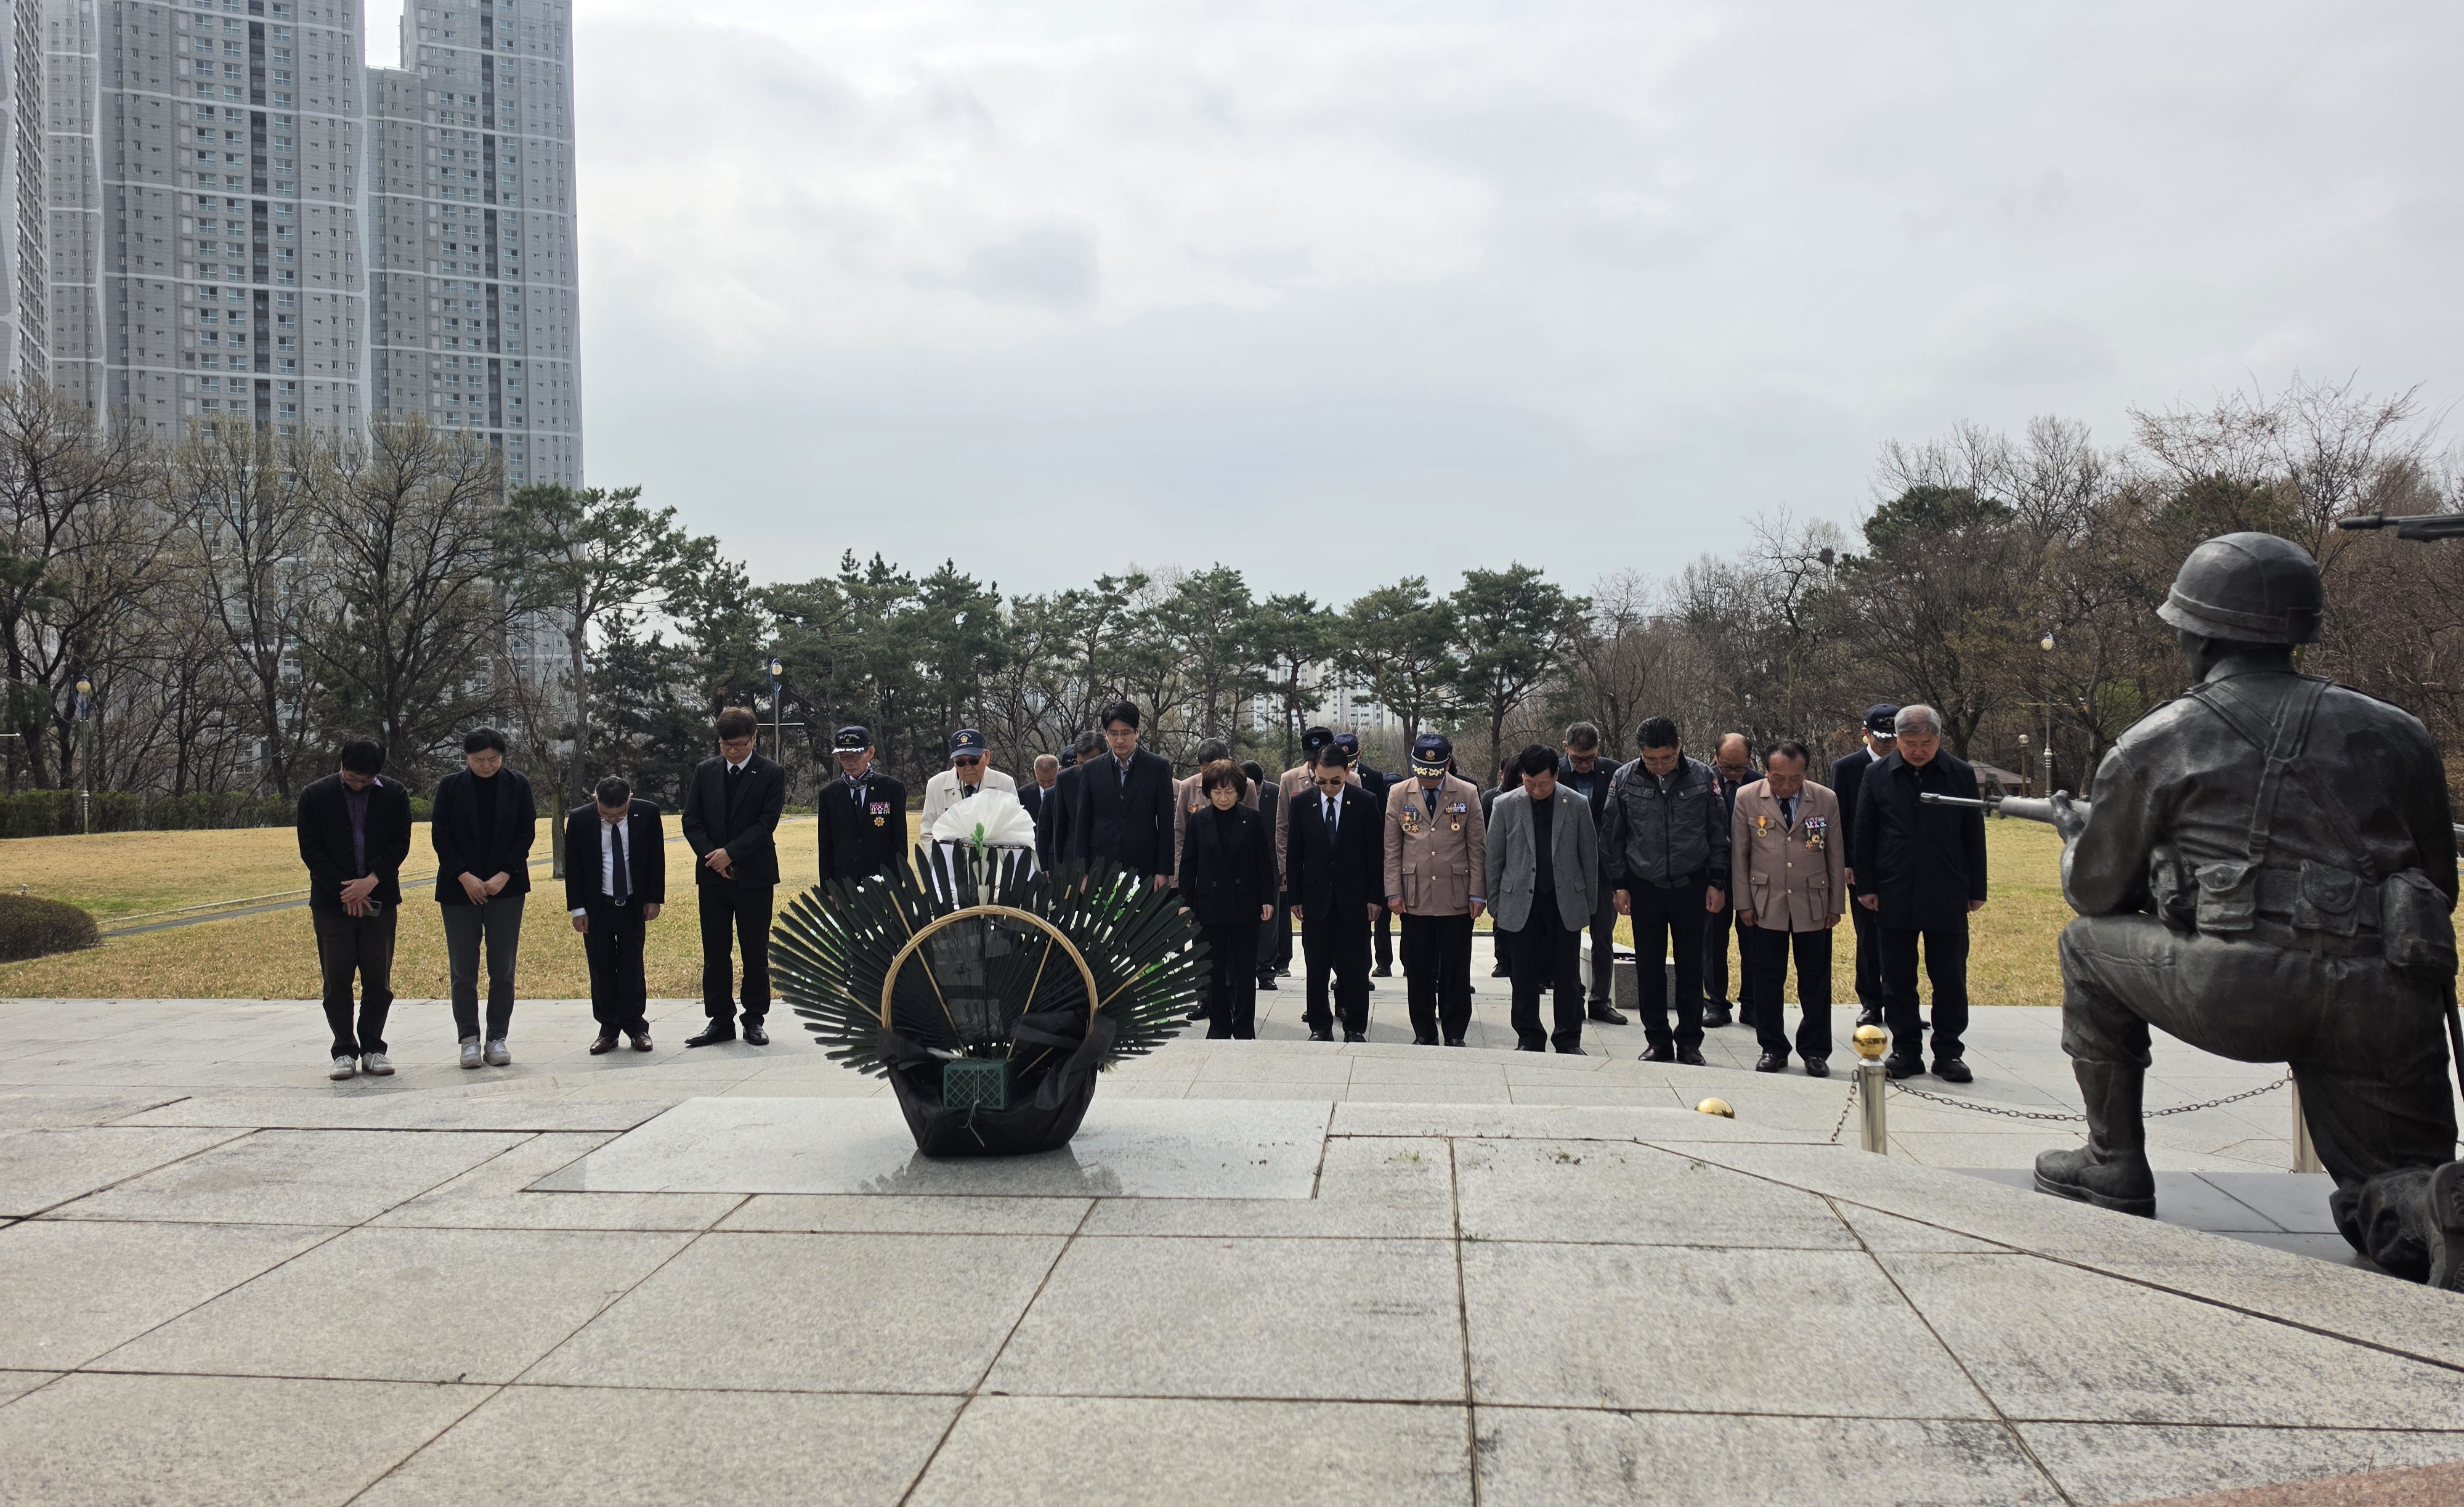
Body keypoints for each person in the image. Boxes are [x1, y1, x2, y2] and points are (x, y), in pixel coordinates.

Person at [2038, 534, 2464, 1285]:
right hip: (2381, 993)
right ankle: (2428, 1202)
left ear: (2199, 638)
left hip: (2238, 988)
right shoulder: (2399, 733)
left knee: (2084, 944)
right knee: (2385, 1184)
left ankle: (2112, 1161)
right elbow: (2437, 883)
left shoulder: (2155, 740)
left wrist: (2076, 839)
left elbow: (2097, 893)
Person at [1851, 704, 1987, 1082]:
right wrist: (1866, 886)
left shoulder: (1960, 773)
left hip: (1947, 888)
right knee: (1897, 980)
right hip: (1893, 889)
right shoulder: (1877, 774)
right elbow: (1865, 832)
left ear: (1939, 739)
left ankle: (1949, 1052)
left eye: (1926, 743)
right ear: (1898, 740)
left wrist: (1977, 888)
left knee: (1950, 977)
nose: (1918, 751)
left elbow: (1973, 833)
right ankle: (1906, 1051)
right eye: (1910, 744)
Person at [1603, 716, 1729, 1066]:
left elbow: (1718, 833)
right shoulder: (1624, 778)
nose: (1659, 766)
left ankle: (1689, 1041)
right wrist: (1619, 885)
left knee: (1691, 967)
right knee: (1649, 968)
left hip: (1691, 885)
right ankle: (1657, 1040)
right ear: (1641, 753)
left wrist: (1717, 882)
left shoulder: (1703, 776)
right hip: (1645, 887)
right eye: (1651, 759)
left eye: (1666, 758)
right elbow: (1612, 837)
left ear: (1679, 747)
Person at [297, 737, 413, 1080]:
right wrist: (346, 890)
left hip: (380, 898)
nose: (359, 784)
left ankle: (374, 1047)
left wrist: (371, 881)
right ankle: (344, 1050)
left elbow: (400, 844)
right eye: (352, 778)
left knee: (378, 978)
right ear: (341, 765)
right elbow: (311, 850)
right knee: (337, 980)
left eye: (366, 780)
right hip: (332, 904)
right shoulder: (314, 795)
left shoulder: (394, 794)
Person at [1730, 741, 1844, 1076]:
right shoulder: (1747, 797)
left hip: (1813, 901)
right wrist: (1743, 903)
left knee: (1815, 980)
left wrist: (1836, 904)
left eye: (1795, 779)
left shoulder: (1825, 798)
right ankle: (1772, 1047)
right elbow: (1740, 855)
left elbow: (1835, 853)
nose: (1786, 785)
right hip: (1766, 902)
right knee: (1767, 978)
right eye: (1778, 778)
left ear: (1805, 773)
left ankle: (1816, 1051)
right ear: (1766, 770)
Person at [429, 728, 538, 1069]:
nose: (487, 765)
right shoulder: (450, 787)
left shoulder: (518, 785)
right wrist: (465, 876)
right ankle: (469, 1040)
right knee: (463, 969)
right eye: (479, 760)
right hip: (459, 889)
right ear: (466, 757)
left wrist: (504, 874)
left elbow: (526, 833)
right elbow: (441, 837)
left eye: (493, 759)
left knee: (503, 968)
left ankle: (497, 1038)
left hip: (506, 887)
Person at [680, 707, 787, 1049]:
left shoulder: (771, 772)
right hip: (713, 877)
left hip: (755, 876)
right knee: (715, 951)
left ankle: (754, 1018)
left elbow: (766, 822)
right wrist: (714, 856)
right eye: (726, 745)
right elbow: (691, 820)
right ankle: (720, 1019)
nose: (733, 751)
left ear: (754, 739)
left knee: (754, 951)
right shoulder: (705, 771)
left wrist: (731, 853)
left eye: (740, 745)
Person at [1486, 744, 1600, 1054]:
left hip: (1565, 901)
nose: (1537, 790)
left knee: (1568, 975)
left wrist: (1589, 903)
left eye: (1544, 784)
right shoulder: (1505, 805)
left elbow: (1589, 857)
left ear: (1556, 775)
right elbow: (1494, 858)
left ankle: (1568, 1038)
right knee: (1522, 974)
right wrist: (1495, 905)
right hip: (1521, 901)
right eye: (1530, 783)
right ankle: (1529, 1037)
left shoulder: (1576, 804)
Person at [1385, 733, 1487, 1046]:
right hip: (1414, 895)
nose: (1428, 780)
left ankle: (1455, 1033)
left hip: (1456, 896)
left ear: (1447, 765)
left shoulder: (1467, 792)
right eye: (1422, 773)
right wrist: (1393, 891)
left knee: (1456, 968)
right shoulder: (1398, 793)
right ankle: (1424, 1032)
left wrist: (1477, 893)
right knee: (1417, 968)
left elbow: (1477, 847)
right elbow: (1392, 847)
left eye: (1435, 773)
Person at [1286, 743, 1384, 1042]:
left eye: (1336, 781)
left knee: (1355, 967)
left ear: (1347, 772)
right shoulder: (1302, 803)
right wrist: (1295, 897)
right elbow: (1295, 854)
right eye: (1322, 781)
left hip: (1354, 900)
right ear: (1313, 773)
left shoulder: (1365, 802)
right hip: (1316, 899)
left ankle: (1355, 1027)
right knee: (1316, 967)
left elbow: (1375, 854)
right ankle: (1320, 1026)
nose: (1329, 787)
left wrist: (1375, 897)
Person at [1177, 759, 1277, 1038]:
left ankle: (1244, 1026)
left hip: (1245, 904)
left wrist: (1267, 899)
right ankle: (1219, 1025)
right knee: (1213, 970)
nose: (1223, 798)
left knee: (1245, 970)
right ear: (1208, 792)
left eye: (1229, 792)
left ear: (1239, 792)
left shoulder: (1252, 819)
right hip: (1209, 906)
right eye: (1218, 792)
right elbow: (1188, 865)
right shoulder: (1199, 821)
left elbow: (1264, 863)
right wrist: (1185, 903)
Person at [567, 775, 665, 1054]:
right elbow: (573, 867)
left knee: (632, 966)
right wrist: (578, 909)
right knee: (601, 967)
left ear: (630, 800)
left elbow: (656, 858)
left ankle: (636, 1027)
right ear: (595, 800)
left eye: (619, 814)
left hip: (633, 903)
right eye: (606, 814)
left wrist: (653, 898)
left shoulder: (648, 813)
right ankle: (608, 1029)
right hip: (597, 905)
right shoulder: (579, 819)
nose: (612, 819)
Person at [1830, 705, 1900, 1028]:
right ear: (1866, 733)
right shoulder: (1847, 768)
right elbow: (1840, 818)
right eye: (1882, 738)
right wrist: (1846, 863)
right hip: (1862, 866)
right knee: (1869, 938)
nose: (1888, 744)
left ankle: (1901, 1001)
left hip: (1900, 865)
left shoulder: (1910, 765)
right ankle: (1871, 1002)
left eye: (1894, 738)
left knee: (1900, 939)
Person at [1558, 722, 1627, 1025]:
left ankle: (1600, 1000)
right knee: (1567, 936)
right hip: (1566, 867)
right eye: (1578, 759)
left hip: (1604, 867)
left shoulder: (1614, 772)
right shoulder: (1555, 772)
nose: (1585, 764)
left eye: (1591, 758)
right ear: (1565, 749)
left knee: (1603, 937)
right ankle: (1571, 997)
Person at [1068, 701, 1176, 888]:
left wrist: (1163, 870)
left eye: (1126, 733)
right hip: (1101, 865)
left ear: (1137, 732)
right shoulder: (1092, 769)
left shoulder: (1158, 767)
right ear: (1106, 735)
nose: (1119, 740)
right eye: (1114, 733)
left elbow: (1166, 823)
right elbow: (1082, 822)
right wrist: (1083, 872)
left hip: (1145, 865)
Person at [1703, 733, 1755, 1030]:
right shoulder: (1702, 780)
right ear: (1715, 757)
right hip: (1713, 874)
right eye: (1727, 767)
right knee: (1712, 941)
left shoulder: (1761, 783)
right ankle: (1715, 1004)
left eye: (1740, 767)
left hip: (1752, 874)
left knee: (1754, 942)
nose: (1733, 773)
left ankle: (1752, 1005)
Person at [816, 725, 909, 890]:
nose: (850, 762)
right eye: (844, 757)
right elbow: (825, 848)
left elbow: (899, 843)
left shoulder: (891, 789)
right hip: (843, 883)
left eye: (856, 756)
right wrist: (828, 890)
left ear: (870, 753)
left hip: (881, 881)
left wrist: (894, 883)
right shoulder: (829, 794)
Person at [1337, 733, 1397, 980]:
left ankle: (1383, 962)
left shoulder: (1373, 777)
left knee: (1380, 914)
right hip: (1346, 856)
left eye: (1350, 757)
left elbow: (1382, 816)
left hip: (1370, 852)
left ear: (1358, 754)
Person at [919, 728, 1018, 828]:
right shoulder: (935, 786)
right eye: (961, 763)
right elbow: (928, 831)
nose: (968, 768)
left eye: (974, 761)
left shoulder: (1005, 785)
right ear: (954, 762)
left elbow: (1016, 829)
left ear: (987, 757)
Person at [1039, 731, 1102, 869]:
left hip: (1105, 860)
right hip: (1071, 863)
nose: (1086, 770)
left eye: (1091, 764)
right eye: (1081, 764)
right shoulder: (1065, 779)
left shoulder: (1114, 777)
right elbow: (1059, 827)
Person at [1018, 754, 1061, 829]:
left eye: (1051, 780)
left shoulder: (1066, 792)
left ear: (1059, 770)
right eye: (1042, 781)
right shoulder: (1023, 794)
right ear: (1035, 772)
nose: (1046, 785)